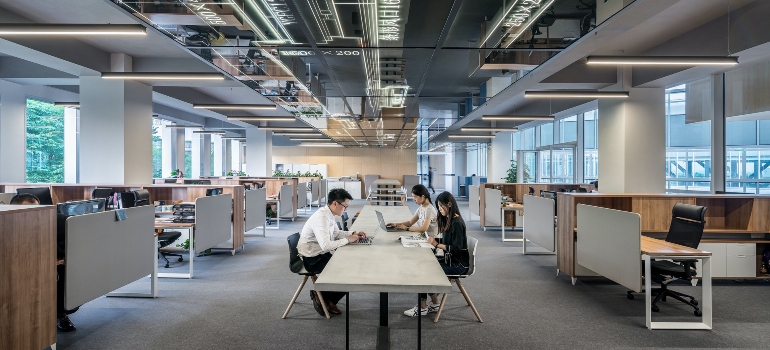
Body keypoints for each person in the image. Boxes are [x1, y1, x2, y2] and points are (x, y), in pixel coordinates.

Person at [298, 188, 366, 317]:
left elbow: (336, 233)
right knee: (350, 271)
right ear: (335, 203)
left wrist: (353, 233)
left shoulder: (329, 214)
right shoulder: (322, 217)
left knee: (352, 266)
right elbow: (326, 246)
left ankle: (325, 297)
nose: (346, 209)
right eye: (345, 206)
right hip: (312, 259)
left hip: (320, 254)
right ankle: (323, 297)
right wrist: (347, 240)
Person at [404, 191, 469, 317]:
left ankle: (422, 306)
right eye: (438, 207)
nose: (439, 210)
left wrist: (436, 244)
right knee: (423, 264)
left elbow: (456, 249)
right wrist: (434, 241)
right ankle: (435, 302)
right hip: (450, 259)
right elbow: (449, 242)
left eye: (440, 206)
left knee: (424, 270)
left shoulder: (457, 223)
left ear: (449, 204)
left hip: (458, 265)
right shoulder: (450, 220)